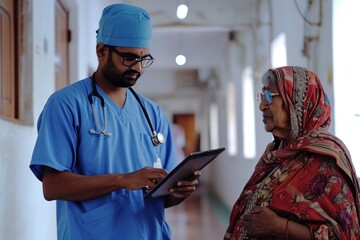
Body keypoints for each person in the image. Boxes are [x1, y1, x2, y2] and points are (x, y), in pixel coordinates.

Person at [30, 3, 200, 240]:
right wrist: (122, 180)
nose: (138, 68)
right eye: (129, 58)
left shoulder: (153, 113)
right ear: (101, 51)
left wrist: (179, 191)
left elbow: (162, 196)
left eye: (144, 58)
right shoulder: (66, 105)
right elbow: (52, 187)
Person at [224, 66, 360, 239]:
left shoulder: (326, 161)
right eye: (261, 96)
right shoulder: (277, 152)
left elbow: (348, 235)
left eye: (269, 96)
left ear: (296, 103)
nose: (261, 105)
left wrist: (280, 227)